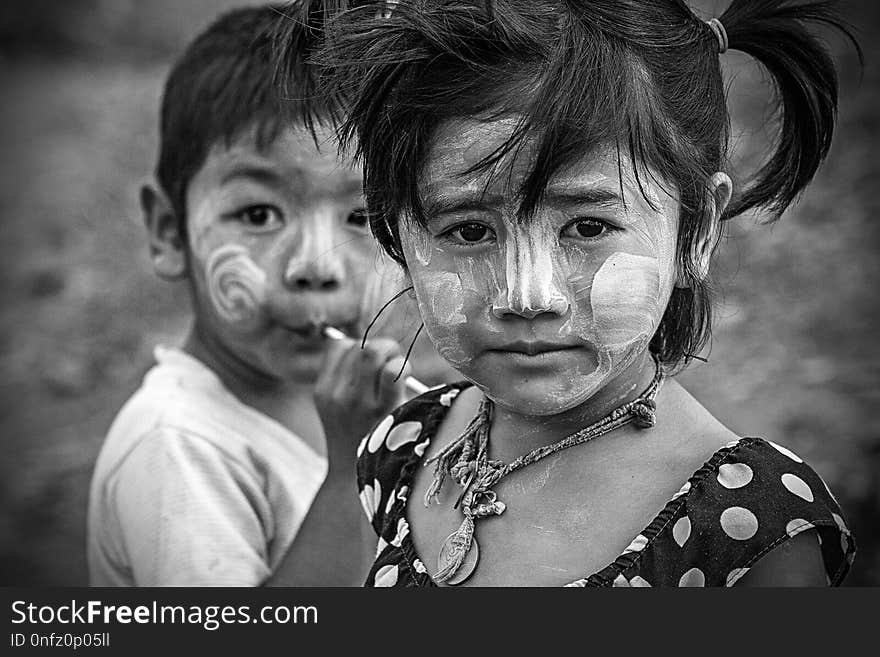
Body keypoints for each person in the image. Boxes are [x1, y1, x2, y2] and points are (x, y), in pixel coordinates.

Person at [284, 0, 860, 586]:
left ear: (696, 230)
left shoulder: (752, 526)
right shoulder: (401, 446)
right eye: (470, 230)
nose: (528, 294)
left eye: (588, 227)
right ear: (398, 237)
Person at [86, 4, 412, 586]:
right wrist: (351, 473)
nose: (317, 266)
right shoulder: (177, 445)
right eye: (259, 214)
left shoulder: (353, 405)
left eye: (362, 215)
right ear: (169, 232)